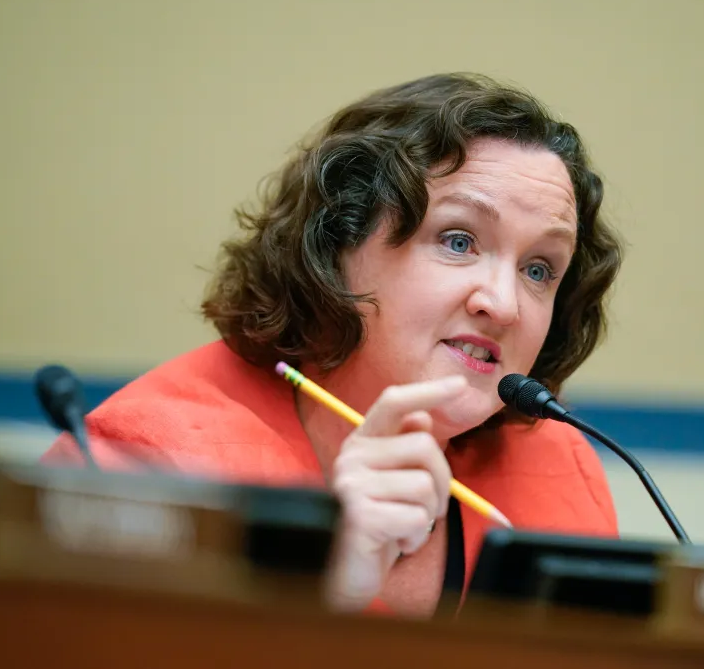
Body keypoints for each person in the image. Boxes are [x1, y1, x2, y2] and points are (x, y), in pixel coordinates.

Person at [42, 72, 625, 619]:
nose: (503, 303)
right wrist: (335, 592)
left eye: (540, 270)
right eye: (457, 240)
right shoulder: (141, 464)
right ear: (336, 245)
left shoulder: (560, 468)